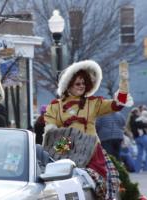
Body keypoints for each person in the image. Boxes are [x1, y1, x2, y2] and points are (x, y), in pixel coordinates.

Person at [43, 60, 133, 199]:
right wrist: (61, 150)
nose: (81, 86)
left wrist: (124, 82)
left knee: (101, 187)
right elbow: (51, 132)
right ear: (68, 84)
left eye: (84, 83)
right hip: (67, 148)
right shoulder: (55, 107)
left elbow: (117, 105)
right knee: (67, 186)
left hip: (92, 150)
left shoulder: (93, 103)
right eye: (78, 83)